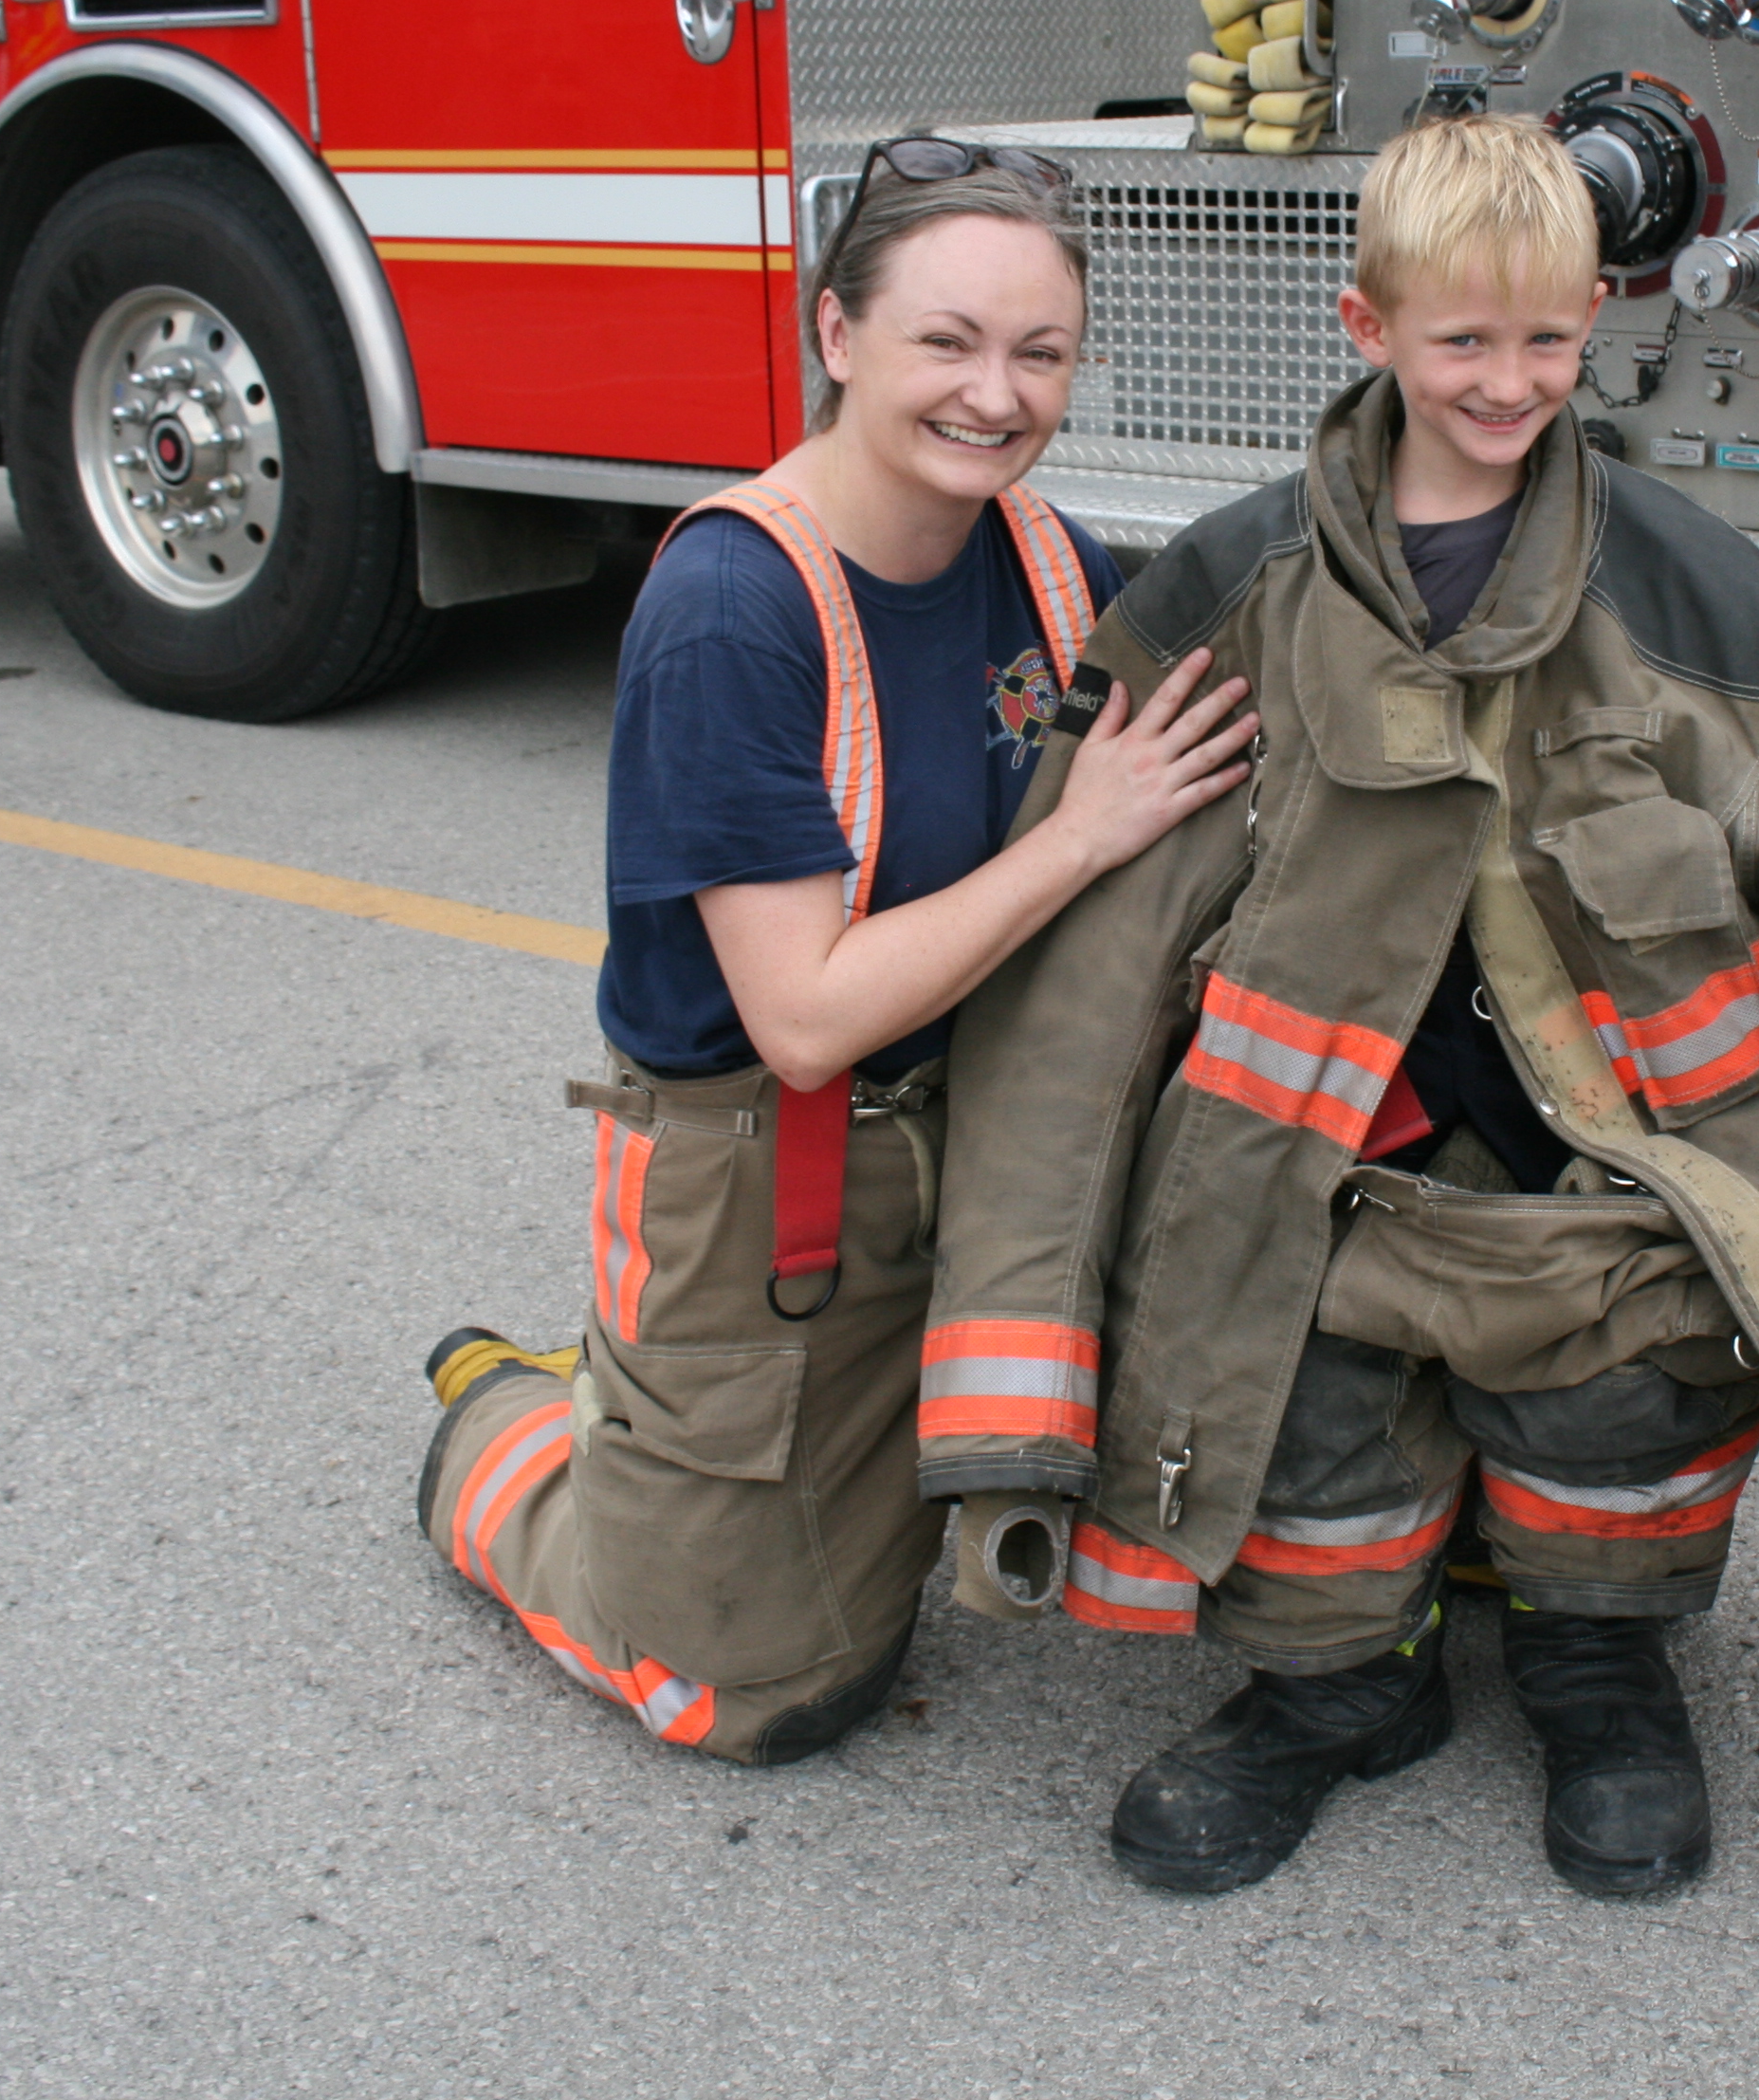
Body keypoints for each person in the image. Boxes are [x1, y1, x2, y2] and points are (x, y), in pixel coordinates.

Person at [921, 117, 1759, 1896]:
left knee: (1619, 1428)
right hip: (1307, 1213)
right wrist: (1012, 1411)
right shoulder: (1226, 600)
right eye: (1460, 341)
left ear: (1594, 318)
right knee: (1284, 1410)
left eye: (1546, 339)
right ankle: (1335, 1684)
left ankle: (1596, 1659)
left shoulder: (1714, 615)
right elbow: (1070, 1017)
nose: (1507, 380)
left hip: (1611, 1222)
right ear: (1362, 325)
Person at [415, 142, 1256, 1765]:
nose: (995, 396)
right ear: (836, 334)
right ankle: (517, 1429)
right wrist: (1085, 830)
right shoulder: (733, 609)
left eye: (1039, 352)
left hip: (987, 1145)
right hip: (773, 1187)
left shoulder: (1046, 560)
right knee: (757, 1692)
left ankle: (766, 1436)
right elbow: (799, 1018)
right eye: (946, 341)